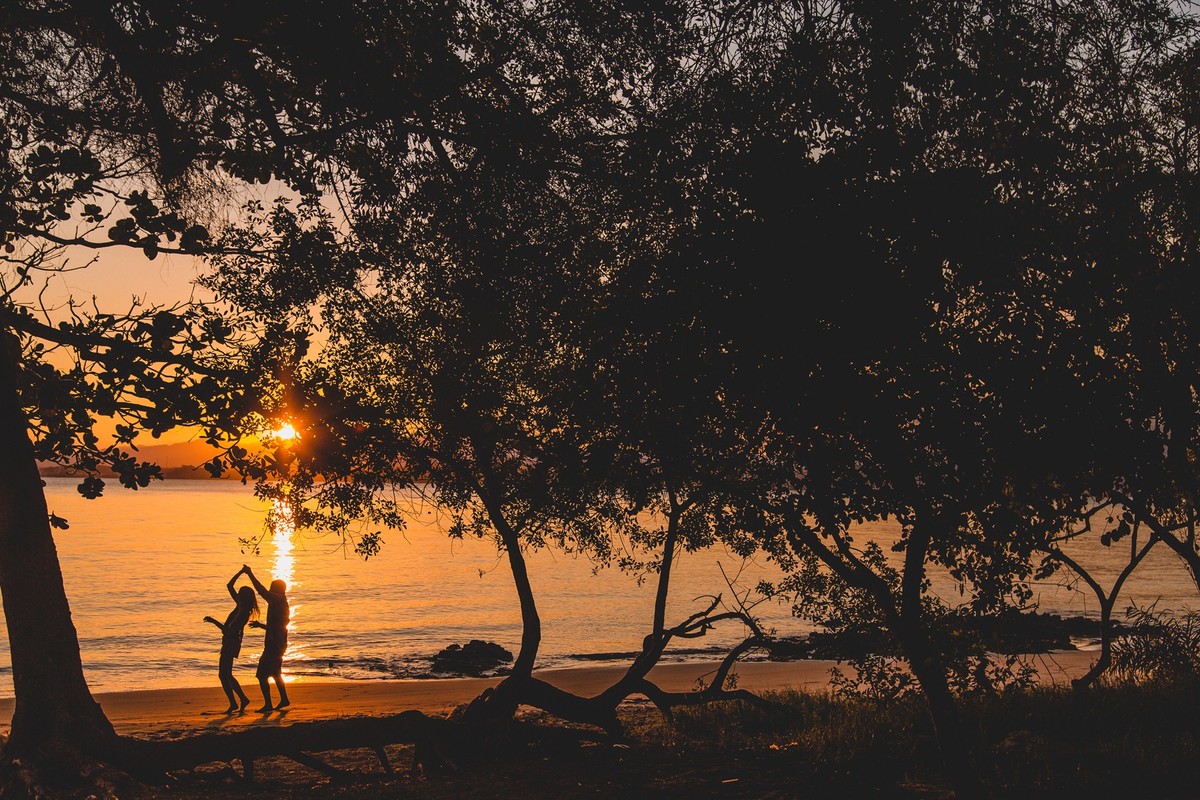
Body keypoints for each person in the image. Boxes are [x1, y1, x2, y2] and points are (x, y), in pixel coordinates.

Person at [202, 567, 259, 713]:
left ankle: (235, 702)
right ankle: (240, 700)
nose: (237, 595)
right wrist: (241, 572)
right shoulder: (240, 606)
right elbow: (229, 586)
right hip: (229, 642)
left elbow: (228, 631)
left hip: (231, 644)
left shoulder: (243, 614)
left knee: (224, 674)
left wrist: (213, 621)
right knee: (226, 674)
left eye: (240, 594)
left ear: (244, 598)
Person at [243, 564, 291, 712]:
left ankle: (269, 704)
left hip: (275, 645)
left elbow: (261, 591)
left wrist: (250, 574)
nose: (269, 590)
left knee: (262, 675)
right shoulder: (280, 602)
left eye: (272, 588)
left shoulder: (277, 600)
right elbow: (277, 626)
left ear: (277, 590)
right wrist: (261, 626)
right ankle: (283, 699)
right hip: (278, 642)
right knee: (276, 673)